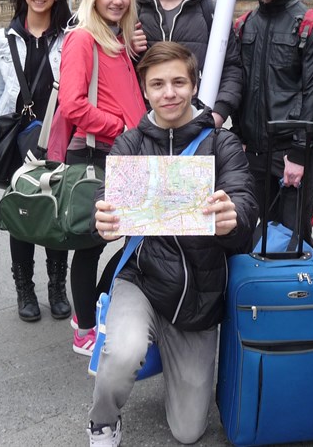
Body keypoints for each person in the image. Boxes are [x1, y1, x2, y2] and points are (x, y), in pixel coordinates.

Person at [88, 42, 256, 446]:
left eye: (179, 82)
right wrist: (102, 221)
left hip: (199, 293)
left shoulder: (222, 143)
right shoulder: (130, 143)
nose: (169, 93)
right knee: (122, 353)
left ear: (194, 85)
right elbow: (107, 200)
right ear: (145, 90)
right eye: (158, 84)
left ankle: (170, 351)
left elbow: (244, 201)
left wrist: (233, 217)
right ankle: (102, 421)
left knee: (188, 431)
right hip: (141, 279)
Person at [47, 0, 146, 357]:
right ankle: (84, 327)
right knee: (91, 245)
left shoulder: (116, 40)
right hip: (97, 154)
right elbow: (72, 104)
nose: (118, 0)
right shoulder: (83, 38)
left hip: (122, 154)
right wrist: (120, 128)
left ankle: (94, 310)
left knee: (132, 239)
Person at [0, 0, 73, 322]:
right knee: (21, 211)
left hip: (58, 136)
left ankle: (57, 286)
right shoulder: (1, 38)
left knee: (56, 209)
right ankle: (25, 289)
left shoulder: (69, 37)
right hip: (17, 139)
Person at [234, 0, 313, 240]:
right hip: (252, 151)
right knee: (251, 240)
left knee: (292, 241)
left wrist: (299, 153)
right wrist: (239, 138)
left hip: (290, 152)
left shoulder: (310, 25)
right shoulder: (244, 25)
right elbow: (239, 85)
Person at [137, 0, 242, 128]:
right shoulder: (132, 11)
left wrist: (218, 114)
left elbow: (232, 67)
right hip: (146, 128)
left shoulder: (212, 11)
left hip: (197, 125)